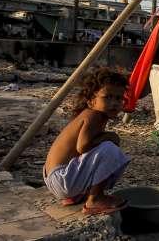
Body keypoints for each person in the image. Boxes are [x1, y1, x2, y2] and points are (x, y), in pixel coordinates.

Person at [43, 67, 131, 215]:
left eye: (118, 98)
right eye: (107, 97)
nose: (114, 103)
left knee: (104, 148)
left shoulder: (92, 115)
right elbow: (83, 147)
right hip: (61, 179)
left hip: (54, 178)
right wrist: (110, 136)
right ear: (91, 101)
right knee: (110, 149)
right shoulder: (93, 116)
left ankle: (78, 194)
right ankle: (94, 199)